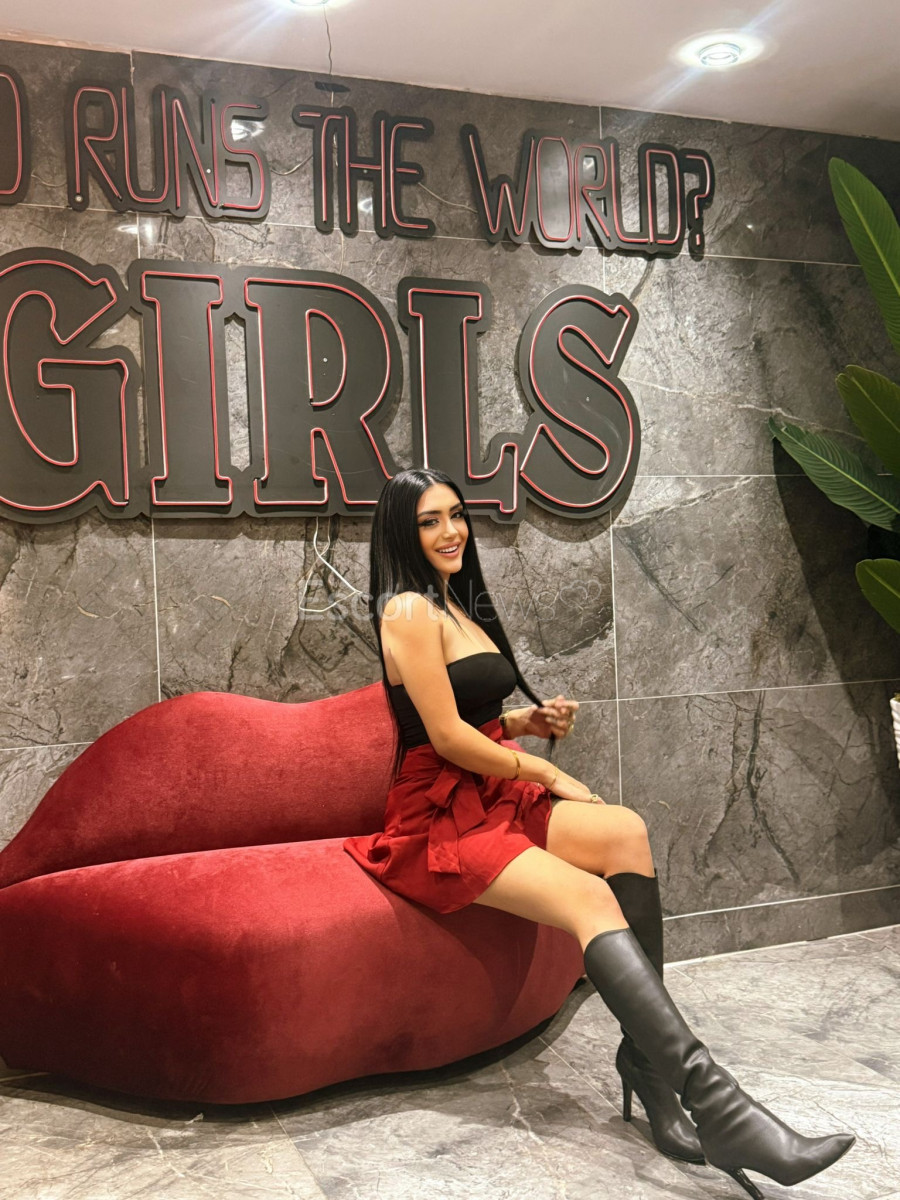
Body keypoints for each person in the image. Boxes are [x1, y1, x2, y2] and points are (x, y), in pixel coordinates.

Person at [343, 467, 855, 1200]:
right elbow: (446, 738)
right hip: (439, 816)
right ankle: (719, 1106)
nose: (451, 531)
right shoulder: (405, 610)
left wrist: (526, 722)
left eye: (455, 514)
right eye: (430, 521)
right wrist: (545, 770)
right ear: (402, 530)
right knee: (590, 899)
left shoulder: (453, 599)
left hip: (486, 793)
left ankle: (646, 1067)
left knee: (625, 832)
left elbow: (466, 714)